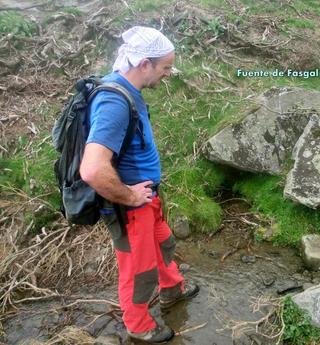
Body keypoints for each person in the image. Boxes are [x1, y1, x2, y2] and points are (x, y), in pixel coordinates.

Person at [80, 26, 199, 344]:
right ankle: (138, 325)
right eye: (166, 67)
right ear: (144, 64)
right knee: (139, 269)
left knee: (163, 243)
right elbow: (92, 169)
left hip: (146, 200)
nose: (169, 74)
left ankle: (172, 288)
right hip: (130, 208)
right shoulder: (114, 102)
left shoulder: (125, 89)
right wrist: (130, 196)